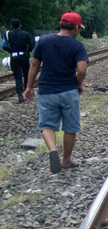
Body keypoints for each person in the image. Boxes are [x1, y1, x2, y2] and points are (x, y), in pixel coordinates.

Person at [24, 13, 88, 174]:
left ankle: (53, 149)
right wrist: (78, 83)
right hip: (68, 91)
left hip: (47, 91)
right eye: (78, 29)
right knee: (70, 127)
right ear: (75, 28)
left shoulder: (44, 40)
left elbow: (34, 65)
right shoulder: (77, 46)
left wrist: (29, 87)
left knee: (46, 125)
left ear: (60, 25)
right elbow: (82, 70)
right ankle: (66, 160)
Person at [2, 19, 34, 103]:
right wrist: (27, 50)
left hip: (14, 57)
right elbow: (31, 46)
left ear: (11, 26)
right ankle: (26, 92)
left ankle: (20, 95)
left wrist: (11, 51)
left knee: (17, 76)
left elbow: (4, 46)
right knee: (26, 74)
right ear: (20, 25)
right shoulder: (26, 34)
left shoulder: (7, 34)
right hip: (24, 56)